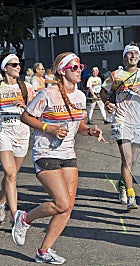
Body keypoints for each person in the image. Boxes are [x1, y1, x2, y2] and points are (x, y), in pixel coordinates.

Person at [12, 52, 105, 264]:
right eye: (74, 67)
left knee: (67, 207)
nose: (79, 70)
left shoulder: (80, 97)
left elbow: (78, 126)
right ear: (62, 71)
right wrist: (48, 127)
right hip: (45, 153)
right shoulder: (48, 93)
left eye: (80, 66)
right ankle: (24, 218)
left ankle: (43, 251)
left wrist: (89, 130)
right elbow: (25, 116)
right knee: (61, 203)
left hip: (68, 154)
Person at [100, 42, 140, 210]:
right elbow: (104, 91)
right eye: (129, 54)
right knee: (128, 159)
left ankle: (123, 184)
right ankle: (131, 196)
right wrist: (107, 102)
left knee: (133, 161)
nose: (133, 56)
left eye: (135, 54)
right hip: (121, 121)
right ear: (125, 57)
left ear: (139, 57)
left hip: (138, 123)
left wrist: (139, 91)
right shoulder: (116, 75)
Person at [0, 54, 35, 224]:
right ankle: (15, 216)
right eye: (14, 64)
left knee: (11, 175)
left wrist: (27, 107)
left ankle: (1, 203)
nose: (18, 67)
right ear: (5, 67)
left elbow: (37, 110)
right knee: (10, 173)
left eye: (19, 64)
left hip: (22, 134)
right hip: (3, 133)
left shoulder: (26, 87)